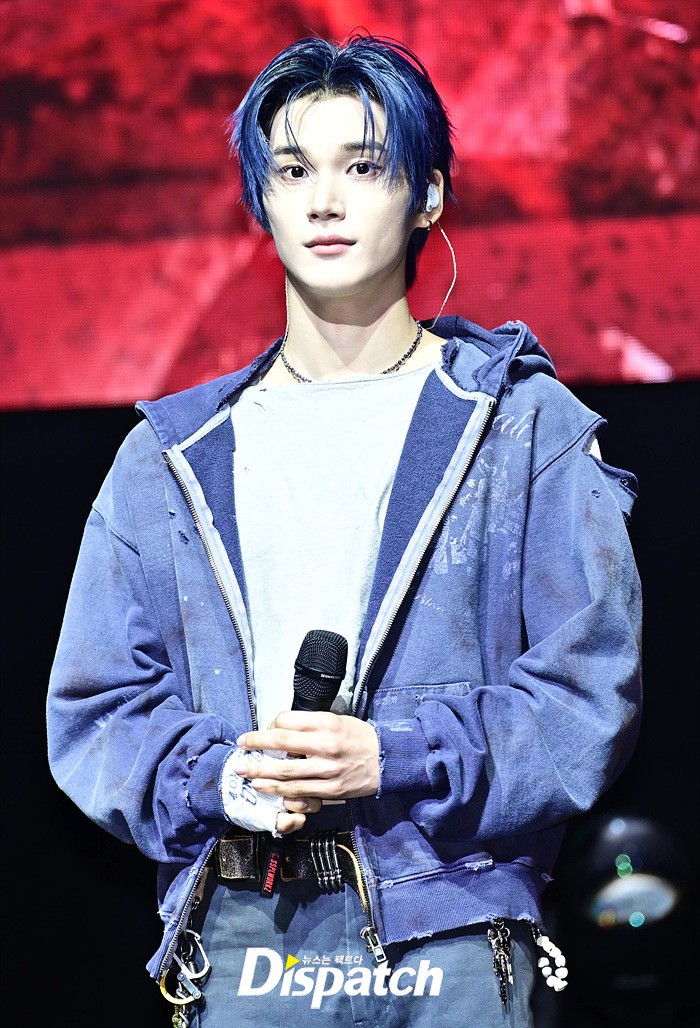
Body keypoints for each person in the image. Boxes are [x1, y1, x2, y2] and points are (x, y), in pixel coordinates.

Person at [47, 34, 642, 1028]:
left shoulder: (519, 429)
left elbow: (587, 696)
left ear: (428, 195)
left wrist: (395, 755)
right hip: (245, 930)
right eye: (292, 171)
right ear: (261, 199)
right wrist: (223, 776)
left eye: (362, 167)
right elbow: (97, 708)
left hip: (451, 927)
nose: (324, 200)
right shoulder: (170, 456)